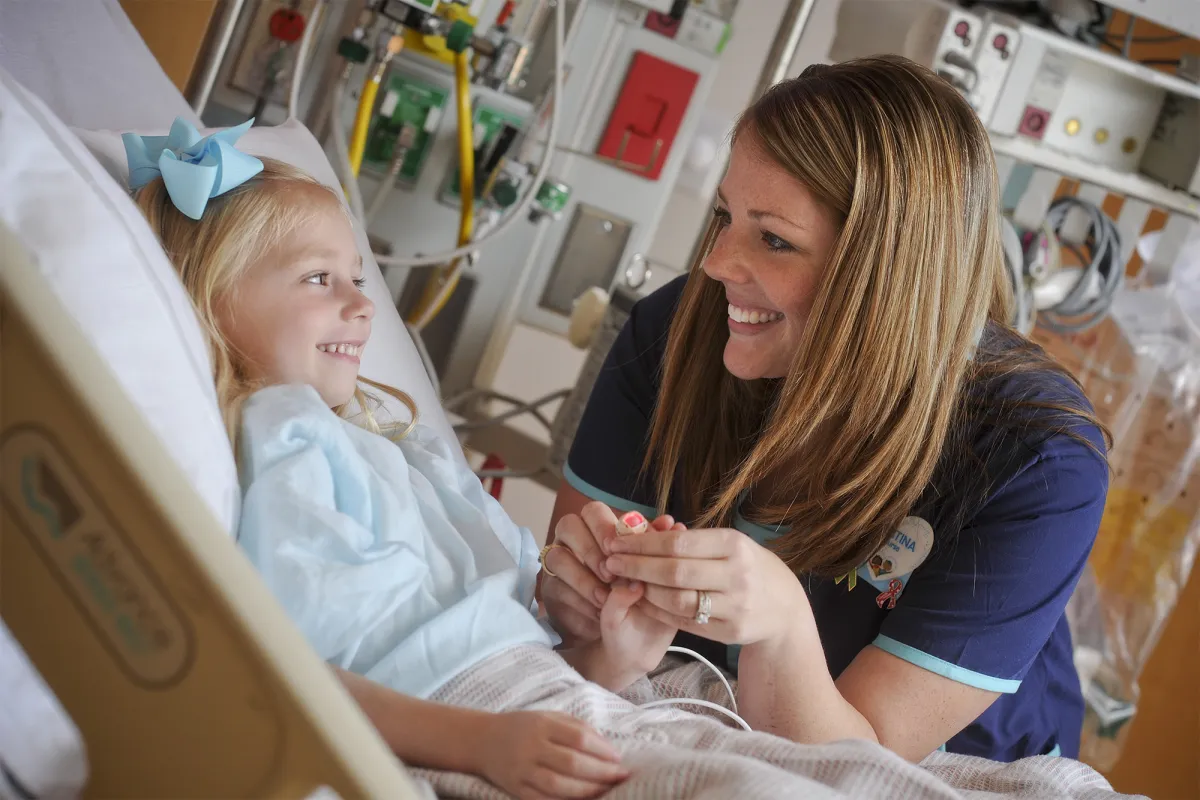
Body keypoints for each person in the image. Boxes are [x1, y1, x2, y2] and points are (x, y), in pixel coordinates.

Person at [539, 55, 1110, 764]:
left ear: (886, 273)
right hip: (717, 719)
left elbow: (862, 767)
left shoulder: (1035, 459)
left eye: (773, 239)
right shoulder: (676, 332)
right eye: (725, 216)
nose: (718, 262)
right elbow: (565, 592)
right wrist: (581, 589)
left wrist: (780, 617)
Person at [128, 134, 676, 799]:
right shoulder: (290, 435)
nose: (363, 307)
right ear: (215, 298)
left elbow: (517, 645)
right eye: (318, 278)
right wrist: (480, 743)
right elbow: (295, 668)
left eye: (357, 279)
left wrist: (612, 654)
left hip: (549, 702)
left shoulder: (390, 444)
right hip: (457, 724)